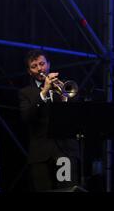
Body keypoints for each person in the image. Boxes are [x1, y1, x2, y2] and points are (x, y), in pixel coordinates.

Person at [18, 49, 79, 191]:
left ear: (48, 64)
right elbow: (26, 117)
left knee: (67, 189)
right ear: (29, 71)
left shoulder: (63, 86)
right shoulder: (25, 93)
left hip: (65, 151)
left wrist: (64, 97)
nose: (40, 68)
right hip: (40, 154)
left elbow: (77, 114)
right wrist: (44, 92)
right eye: (34, 66)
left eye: (42, 64)